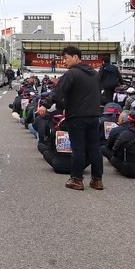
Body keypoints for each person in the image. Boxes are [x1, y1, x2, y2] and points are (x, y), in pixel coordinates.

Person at [38, 45, 104, 191]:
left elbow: (58, 92)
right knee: (94, 148)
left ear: (75, 57)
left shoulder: (71, 74)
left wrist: (44, 105)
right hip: (94, 116)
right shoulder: (94, 73)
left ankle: (77, 179)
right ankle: (97, 180)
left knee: (78, 149)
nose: (64, 62)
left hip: (77, 116)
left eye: (66, 58)